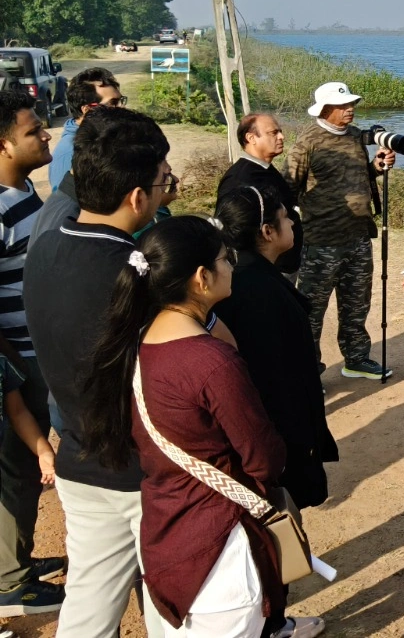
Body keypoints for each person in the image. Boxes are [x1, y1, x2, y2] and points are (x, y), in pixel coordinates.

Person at [76, 216, 304, 638]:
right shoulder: (211, 362)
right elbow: (264, 459)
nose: (232, 266)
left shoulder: (139, 344)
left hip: (167, 531)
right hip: (221, 547)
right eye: (225, 259)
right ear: (201, 278)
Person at [24, 106, 174, 635]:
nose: (166, 190)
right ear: (137, 197)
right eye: (163, 182)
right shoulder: (135, 273)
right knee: (174, 602)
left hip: (80, 456)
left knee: (90, 600)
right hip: (145, 469)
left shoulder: (47, 245)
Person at [213, 185, 338, 510]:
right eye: (285, 217)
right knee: (283, 518)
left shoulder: (246, 276)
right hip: (279, 435)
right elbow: (279, 378)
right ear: (267, 231)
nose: (293, 222)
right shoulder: (258, 292)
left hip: (273, 432)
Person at [0, 90, 62, 616]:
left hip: (34, 352)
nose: (46, 135)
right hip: (17, 360)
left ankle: (15, 557)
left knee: (24, 468)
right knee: (17, 468)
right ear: (2, 144)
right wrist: (12, 372)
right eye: (32, 131)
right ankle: (9, 581)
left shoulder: (23, 191)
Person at [286, 81, 395, 380]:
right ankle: (308, 372)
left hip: (358, 237)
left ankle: (356, 359)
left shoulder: (355, 136)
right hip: (321, 241)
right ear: (324, 110)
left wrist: (376, 167)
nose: (350, 109)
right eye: (342, 105)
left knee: (357, 305)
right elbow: (288, 187)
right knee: (312, 312)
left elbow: (358, 174)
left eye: (351, 104)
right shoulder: (308, 142)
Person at [217, 112, 303, 272]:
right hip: (264, 269)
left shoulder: (266, 170)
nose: (281, 137)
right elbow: (233, 232)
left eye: (280, 132)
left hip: (280, 265)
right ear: (251, 138)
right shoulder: (240, 179)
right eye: (273, 133)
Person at [47, 67, 122, 191]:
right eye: (113, 103)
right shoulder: (69, 153)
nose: (122, 108)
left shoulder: (102, 136)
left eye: (120, 101)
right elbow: (64, 200)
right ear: (88, 110)